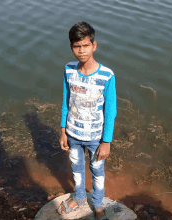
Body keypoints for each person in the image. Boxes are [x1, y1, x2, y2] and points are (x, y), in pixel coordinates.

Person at [58, 21, 117, 219]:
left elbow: (111, 111)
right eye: (77, 46)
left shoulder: (107, 76)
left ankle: (98, 203)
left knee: (97, 172)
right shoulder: (68, 70)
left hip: (95, 137)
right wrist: (63, 130)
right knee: (76, 169)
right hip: (73, 133)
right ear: (71, 47)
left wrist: (106, 141)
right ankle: (81, 197)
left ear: (94, 45)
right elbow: (66, 101)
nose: (81, 51)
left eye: (85, 46)